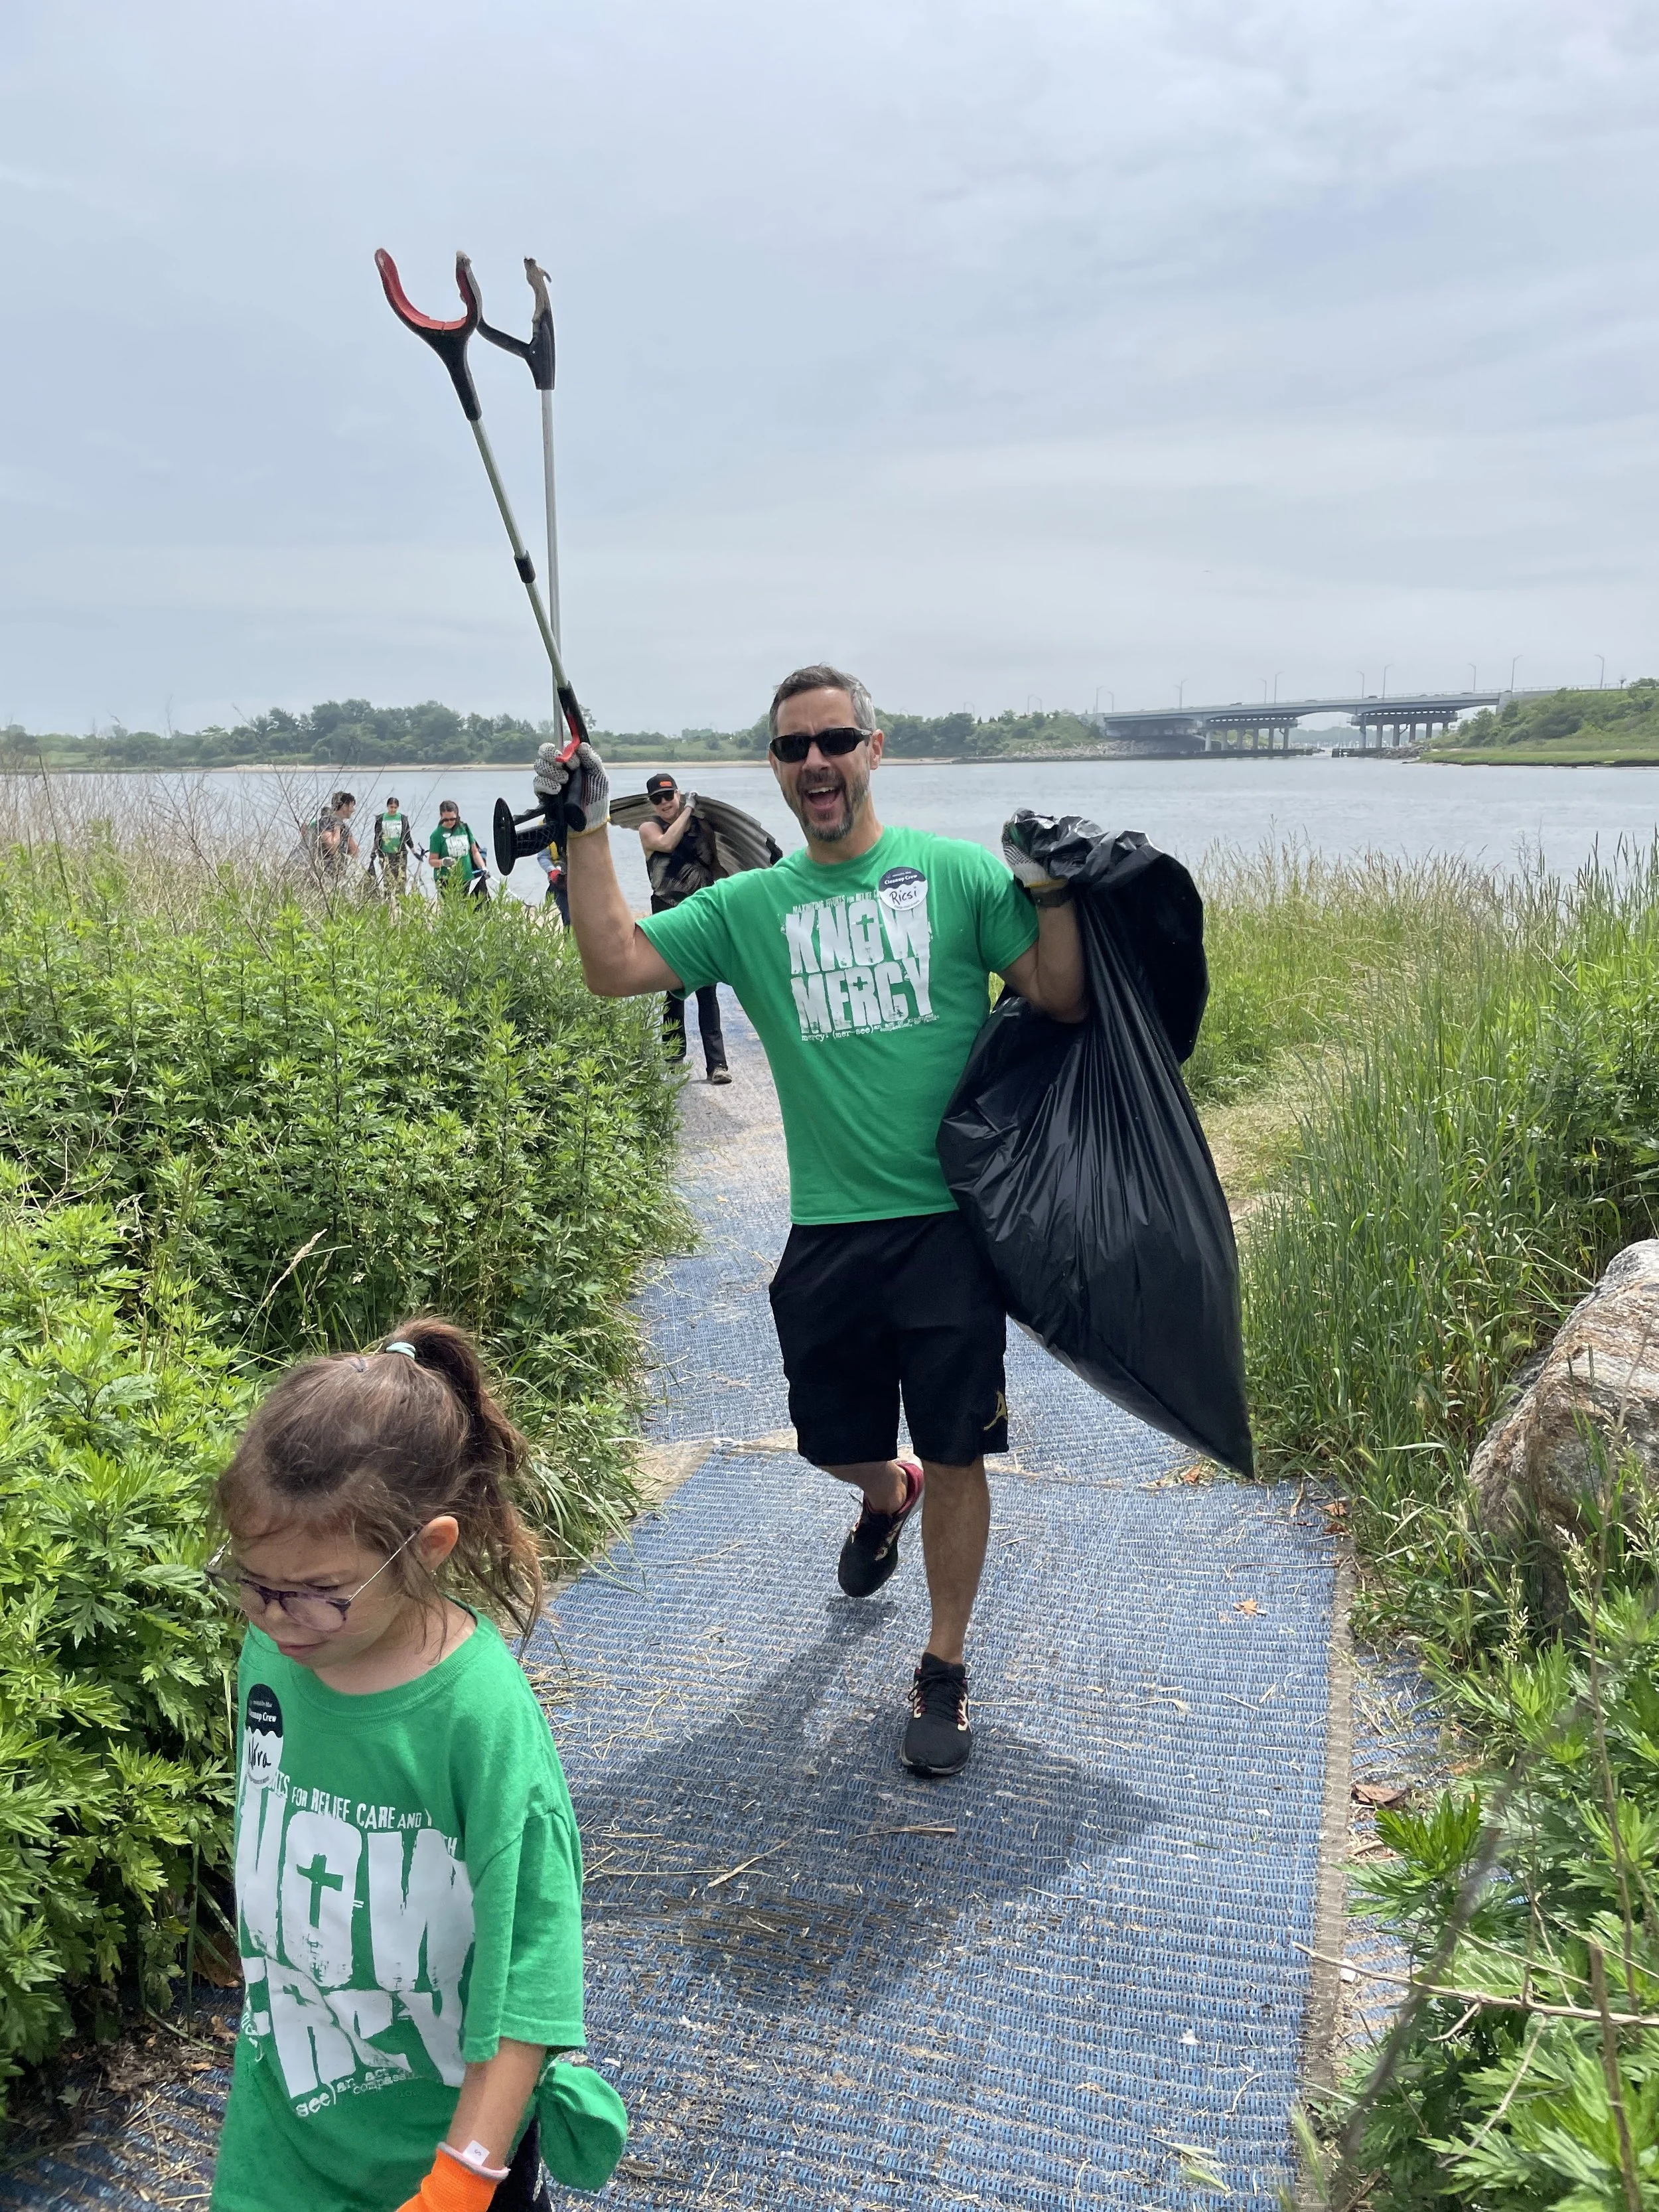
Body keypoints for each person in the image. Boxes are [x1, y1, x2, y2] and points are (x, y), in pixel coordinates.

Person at [548, 664, 1085, 1777]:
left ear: (874, 748)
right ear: (777, 769)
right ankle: (885, 1492)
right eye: (793, 748)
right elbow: (613, 963)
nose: (816, 763)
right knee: (834, 1440)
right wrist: (588, 826)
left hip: (947, 1228)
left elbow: (1063, 994)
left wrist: (1052, 887)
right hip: (830, 1228)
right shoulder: (753, 908)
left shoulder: (952, 876)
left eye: (835, 739)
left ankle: (942, 1663)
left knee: (961, 1444)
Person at [208, 1318, 624, 2212]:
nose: (279, 1617)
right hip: (285, 2127)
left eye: (320, 1593)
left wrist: (462, 2179)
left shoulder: (479, 1717)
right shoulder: (273, 1655)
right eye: (251, 1580)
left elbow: (532, 1976)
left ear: (428, 1548)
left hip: (444, 2154)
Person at [636, 773, 729, 1084]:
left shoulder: (702, 828)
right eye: (657, 799)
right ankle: (674, 1055)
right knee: (673, 989)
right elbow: (666, 843)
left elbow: (714, 865)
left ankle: (717, 1065)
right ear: (652, 803)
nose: (664, 803)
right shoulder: (649, 829)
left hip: (701, 913)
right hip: (667, 915)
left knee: (707, 989)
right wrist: (688, 809)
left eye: (668, 796)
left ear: (676, 794)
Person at [427, 800, 486, 899]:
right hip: (446, 879)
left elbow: (474, 851)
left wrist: (483, 867)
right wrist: (444, 862)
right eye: (446, 819)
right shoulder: (437, 835)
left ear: (457, 816)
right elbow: (432, 861)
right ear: (441, 816)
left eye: (453, 819)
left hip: (465, 876)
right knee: (451, 909)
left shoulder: (465, 829)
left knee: (464, 906)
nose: (450, 822)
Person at [368, 795, 415, 895]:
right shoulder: (381, 819)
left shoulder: (403, 819)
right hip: (385, 853)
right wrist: (373, 852)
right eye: (391, 807)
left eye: (395, 807)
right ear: (387, 807)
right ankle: (388, 900)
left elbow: (408, 837)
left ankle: (401, 900)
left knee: (401, 879)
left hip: (400, 853)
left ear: (398, 807)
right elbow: (377, 837)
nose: (393, 809)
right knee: (388, 879)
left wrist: (414, 852)